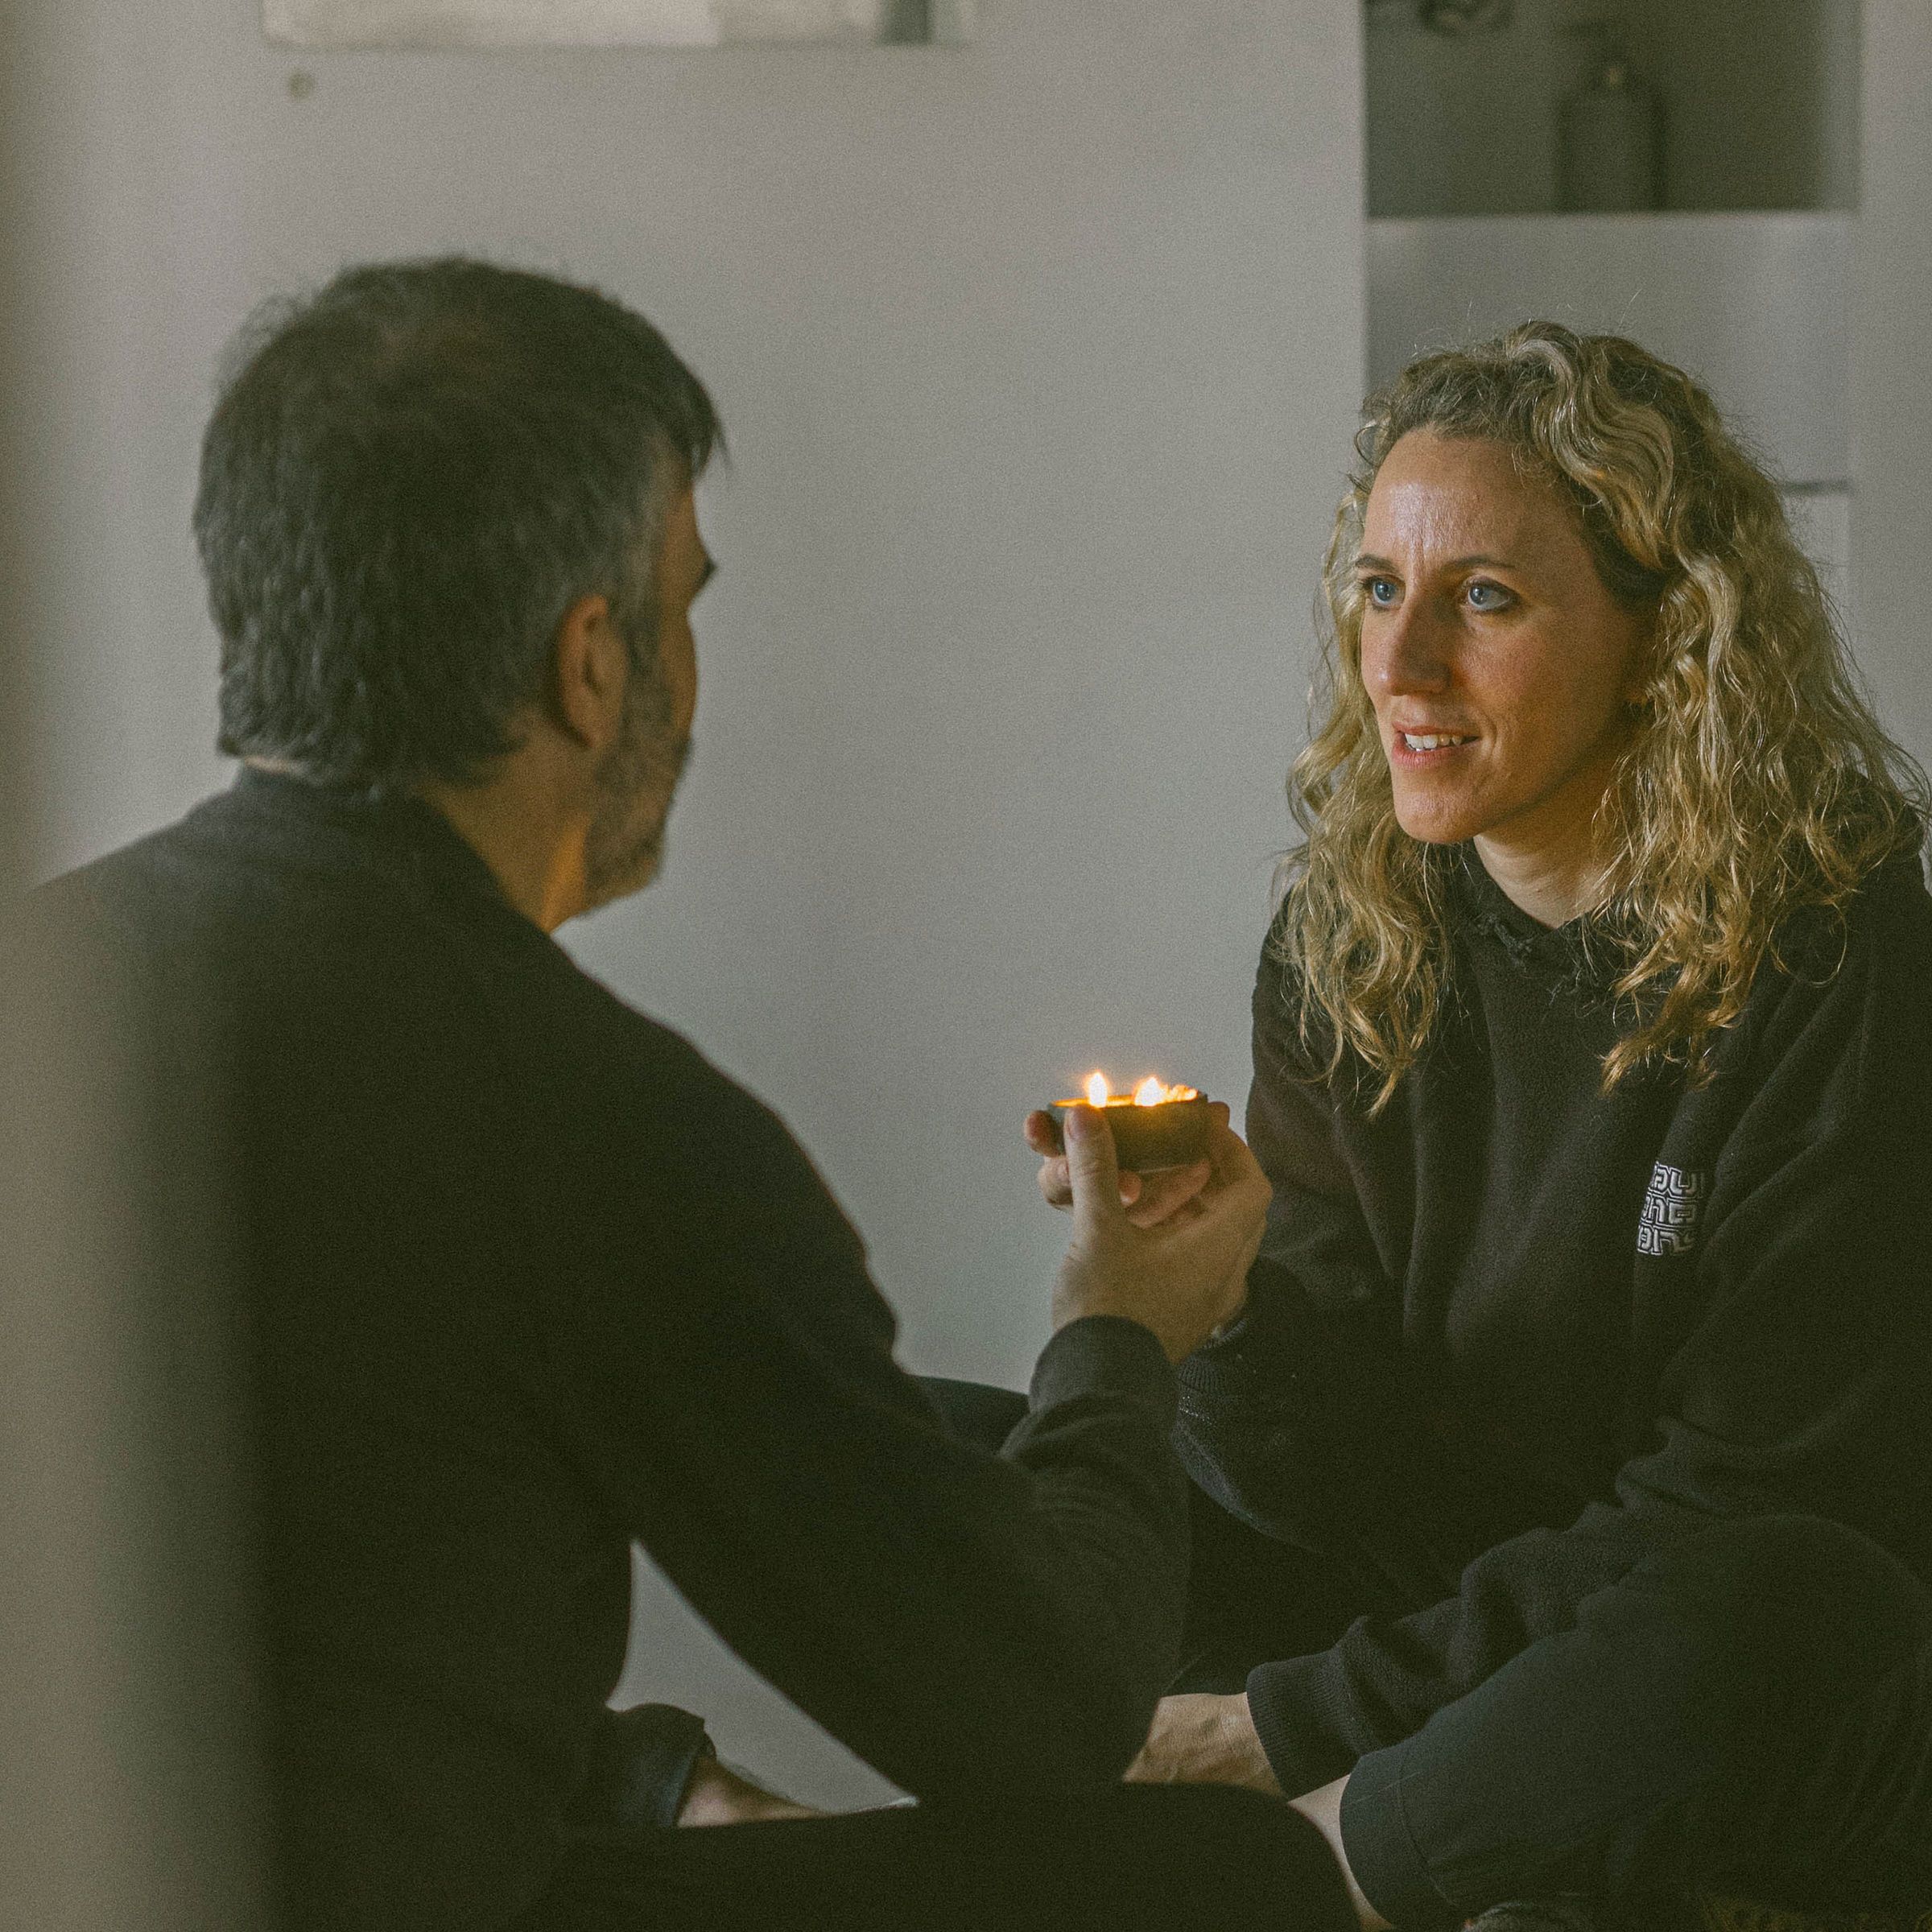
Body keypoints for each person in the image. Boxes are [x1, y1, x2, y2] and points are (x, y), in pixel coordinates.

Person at [33, 258, 1360, 1932]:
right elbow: (1036, 1713)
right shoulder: (587, 1123)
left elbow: (285, 1613)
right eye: (684, 609)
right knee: (1228, 1882)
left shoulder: (47, 977)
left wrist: (649, 1777)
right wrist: (1121, 1335)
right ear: (592, 663)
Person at [1010, 324, 1932, 1923]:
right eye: (1381, 590)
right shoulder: (1351, 934)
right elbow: (1329, 1487)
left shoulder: (1828, 943)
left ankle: (1297, 1874)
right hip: (1442, 1619)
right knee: (976, 1471)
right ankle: (1440, 1829)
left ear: (1669, 638)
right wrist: (1214, 1307)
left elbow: (1760, 1490)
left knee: (1793, 1594)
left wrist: (1279, 1727)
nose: (1402, 664)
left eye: (1485, 599)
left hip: (1693, 1652)